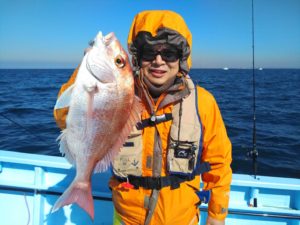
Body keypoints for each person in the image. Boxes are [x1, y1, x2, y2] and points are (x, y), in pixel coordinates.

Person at [54, 10, 232, 225]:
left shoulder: (203, 102)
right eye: (149, 52)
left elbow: (219, 163)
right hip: (126, 219)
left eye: (169, 53)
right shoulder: (119, 93)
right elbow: (63, 117)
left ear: (182, 58)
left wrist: (216, 214)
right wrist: (84, 70)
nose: (158, 61)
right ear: (138, 57)